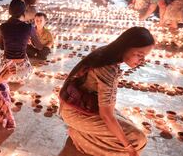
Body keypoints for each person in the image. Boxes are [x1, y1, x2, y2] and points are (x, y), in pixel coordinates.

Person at [59, 27, 153, 156]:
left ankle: (83, 132)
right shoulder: (107, 68)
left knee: (128, 126)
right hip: (76, 112)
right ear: (125, 47)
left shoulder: (105, 53)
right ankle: (79, 137)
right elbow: (106, 115)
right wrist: (130, 148)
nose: (142, 61)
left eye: (144, 56)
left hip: (82, 105)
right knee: (138, 140)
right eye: (139, 55)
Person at [0, 0, 43, 84]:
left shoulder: (2, 27)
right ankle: (20, 79)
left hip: (5, 71)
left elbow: (1, 47)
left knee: (2, 56)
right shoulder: (29, 27)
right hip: (23, 73)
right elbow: (39, 46)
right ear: (23, 12)